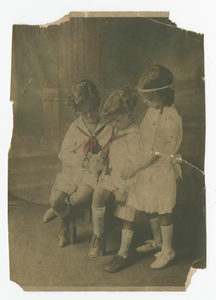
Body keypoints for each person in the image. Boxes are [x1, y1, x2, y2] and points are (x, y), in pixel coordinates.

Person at [121, 65, 182, 269]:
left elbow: (157, 153)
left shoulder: (170, 117)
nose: (145, 102)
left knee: (163, 209)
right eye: (144, 98)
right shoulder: (152, 110)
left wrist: (135, 167)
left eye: (149, 98)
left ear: (161, 95)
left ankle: (168, 250)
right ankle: (157, 241)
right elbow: (145, 138)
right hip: (147, 167)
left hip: (161, 168)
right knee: (150, 206)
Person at [42, 79, 112, 247]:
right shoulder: (75, 127)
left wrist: (100, 167)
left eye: (92, 109)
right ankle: (64, 219)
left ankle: (63, 214)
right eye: (83, 112)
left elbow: (113, 152)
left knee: (83, 196)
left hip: (93, 174)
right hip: (74, 170)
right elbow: (63, 154)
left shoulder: (108, 127)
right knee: (54, 200)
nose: (89, 115)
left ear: (97, 104)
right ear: (77, 112)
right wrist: (81, 162)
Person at [88, 87, 140, 273]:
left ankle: (123, 254)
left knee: (127, 211)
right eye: (113, 121)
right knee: (98, 194)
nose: (115, 125)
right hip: (113, 175)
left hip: (129, 181)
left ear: (129, 113)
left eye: (117, 120)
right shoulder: (117, 129)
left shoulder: (135, 136)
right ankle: (98, 235)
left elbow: (133, 168)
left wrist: (122, 190)